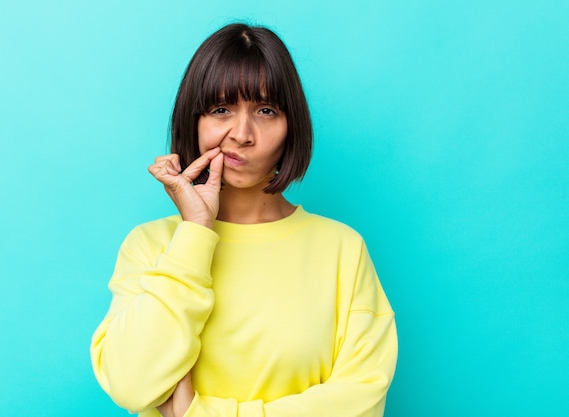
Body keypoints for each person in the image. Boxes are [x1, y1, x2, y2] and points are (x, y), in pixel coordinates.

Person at [90, 23, 397, 417]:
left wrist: (196, 413)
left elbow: (360, 401)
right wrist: (196, 233)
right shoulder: (151, 245)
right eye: (221, 110)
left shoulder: (342, 249)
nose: (242, 134)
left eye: (266, 111)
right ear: (193, 121)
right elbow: (131, 385)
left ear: (291, 127)